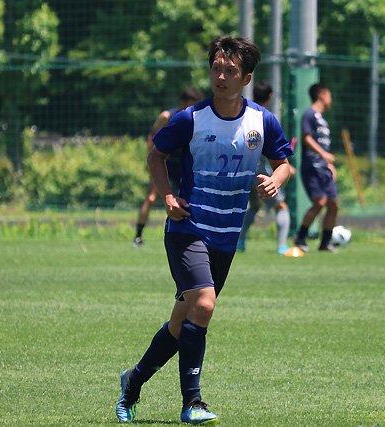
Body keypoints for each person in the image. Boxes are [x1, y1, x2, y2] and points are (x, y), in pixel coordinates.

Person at [116, 36, 293, 425]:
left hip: (226, 236)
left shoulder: (262, 121)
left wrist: (275, 180)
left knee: (181, 323)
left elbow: (284, 163)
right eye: (216, 68)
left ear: (246, 78)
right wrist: (167, 196)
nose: (221, 77)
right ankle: (192, 402)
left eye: (231, 71)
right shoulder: (191, 119)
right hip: (187, 228)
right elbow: (155, 155)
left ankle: (133, 381)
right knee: (206, 305)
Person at [133, 87, 204, 247]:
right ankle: (138, 236)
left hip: (184, 166)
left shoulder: (199, 118)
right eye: (192, 105)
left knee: (189, 201)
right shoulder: (167, 117)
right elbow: (152, 136)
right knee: (151, 198)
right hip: (164, 163)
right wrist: (151, 161)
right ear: (183, 103)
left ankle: (189, 236)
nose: (195, 109)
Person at [237, 80, 296, 255]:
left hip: (240, 170)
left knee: (255, 205)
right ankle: (282, 246)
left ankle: (240, 242)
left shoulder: (243, 116)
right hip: (258, 173)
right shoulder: (266, 118)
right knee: (281, 207)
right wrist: (283, 168)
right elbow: (268, 151)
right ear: (270, 97)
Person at [293, 82, 340, 253]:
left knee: (334, 204)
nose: (330, 99)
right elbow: (306, 138)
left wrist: (329, 164)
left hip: (324, 168)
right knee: (319, 202)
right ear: (322, 95)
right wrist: (324, 155)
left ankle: (325, 242)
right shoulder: (309, 114)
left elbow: (323, 144)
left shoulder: (322, 120)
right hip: (312, 166)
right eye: (329, 95)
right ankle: (300, 237)